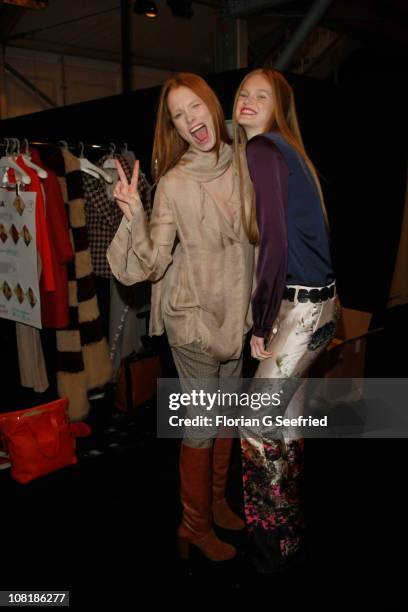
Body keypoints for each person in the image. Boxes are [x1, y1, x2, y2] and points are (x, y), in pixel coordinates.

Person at [107, 73, 255, 561]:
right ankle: (193, 525)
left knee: (226, 416)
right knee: (200, 425)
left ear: (213, 106)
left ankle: (216, 503)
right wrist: (134, 214)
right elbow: (150, 263)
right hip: (192, 321)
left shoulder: (242, 162)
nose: (191, 120)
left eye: (195, 107)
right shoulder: (172, 183)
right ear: (172, 127)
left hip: (236, 315)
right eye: (178, 115)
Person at [233, 68, 339, 572]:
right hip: (322, 303)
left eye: (262, 96)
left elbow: (274, 244)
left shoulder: (263, 150)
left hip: (300, 309)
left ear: (278, 107)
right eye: (243, 94)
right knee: (287, 421)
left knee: (255, 427)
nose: (249, 101)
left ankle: (272, 544)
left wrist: (261, 321)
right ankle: (290, 532)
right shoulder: (290, 152)